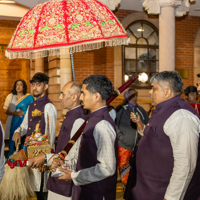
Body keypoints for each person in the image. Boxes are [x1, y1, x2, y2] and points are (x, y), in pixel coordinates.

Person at [125, 71, 200, 200]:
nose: (150, 92)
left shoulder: (181, 115)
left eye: (154, 88)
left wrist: (171, 197)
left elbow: (185, 164)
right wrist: (141, 127)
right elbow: (159, 137)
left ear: (167, 92)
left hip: (162, 191)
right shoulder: (163, 109)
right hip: (148, 188)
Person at [55, 75, 118, 200]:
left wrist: (75, 176)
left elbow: (107, 168)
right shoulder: (93, 119)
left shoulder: (102, 124)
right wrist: (68, 165)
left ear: (96, 96)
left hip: (97, 192)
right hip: (87, 190)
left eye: (83, 93)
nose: (80, 97)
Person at [28, 81, 88, 200]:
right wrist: (48, 162)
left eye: (62, 94)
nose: (59, 97)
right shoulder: (71, 115)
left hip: (65, 180)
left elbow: (74, 155)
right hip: (57, 174)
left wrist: (45, 159)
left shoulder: (78, 120)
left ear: (74, 97)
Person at [12, 72, 57, 200]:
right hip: (30, 152)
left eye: (38, 85)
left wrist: (46, 159)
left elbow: (51, 134)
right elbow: (25, 125)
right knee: (35, 189)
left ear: (46, 87)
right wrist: (17, 131)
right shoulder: (31, 106)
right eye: (33, 85)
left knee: (43, 190)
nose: (35, 88)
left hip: (42, 154)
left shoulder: (48, 106)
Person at [115, 87, 149, 188]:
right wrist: (121, 138)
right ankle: (127, 193)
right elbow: (114, 124)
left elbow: (147, 125)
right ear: (126, 96)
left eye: (136, 95)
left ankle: (133, 193)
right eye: (132, 95)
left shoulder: (141, 110)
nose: (135, 98)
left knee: (136, 172)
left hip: (138, 147)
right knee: (125, 175)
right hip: (124, 146)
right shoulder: (119, 109)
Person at [3, 79, 34, 157]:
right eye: (17, 84)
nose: (18, 86)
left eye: (21, 85)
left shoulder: (29, 97)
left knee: (23, 141)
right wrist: (14, 113)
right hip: (13, 121)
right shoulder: (10, 96)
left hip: (25, 122)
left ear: (23, 87)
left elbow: (33, 109)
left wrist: (24, 112)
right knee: (13, 140)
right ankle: (12, 158)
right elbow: (5, 110)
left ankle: (23, 158)